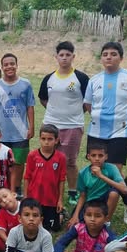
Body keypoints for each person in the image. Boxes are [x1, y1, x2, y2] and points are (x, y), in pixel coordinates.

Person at [84, 42, 127, 224]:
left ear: (121, 57)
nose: (109, 57)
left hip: (121, 132)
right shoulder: (94, 80)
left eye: (113, 54)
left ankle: (108, 215)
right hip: (97, 131)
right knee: (99, 168)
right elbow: (88, 104)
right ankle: (124, 202)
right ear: (101, 58)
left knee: (115, 170)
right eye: (105, 54)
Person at [39, 41, 89, 207]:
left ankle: (73, 191)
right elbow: (43, 99)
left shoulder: (81, 78)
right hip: (50, 125)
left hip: (73, 126)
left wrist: (74, 113)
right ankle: (50, 189)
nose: (64, 58)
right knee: (48, 158)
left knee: (69, 162)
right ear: (56, 57)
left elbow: (88, 101)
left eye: (68, 55)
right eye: (61, 55)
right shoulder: (49, 78)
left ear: (73, 57)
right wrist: (55, 112)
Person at [0, 53, 35, 195]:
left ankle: (17, 189)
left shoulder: (26, 84)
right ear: (2, 67)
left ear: (16, 65)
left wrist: (31, 126)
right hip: (1, 133)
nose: (9, 67)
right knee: (2, 163)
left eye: (12, 64)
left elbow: (30, 106)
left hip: (20, 132)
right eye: (6, 64)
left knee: (18, 163)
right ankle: (3, 188)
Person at [68, 142, 127, 227]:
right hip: (90, 202)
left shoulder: (111, 168)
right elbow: (82, 196)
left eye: (100, 156)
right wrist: (75, 215)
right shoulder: (83, 173)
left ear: (106, 156)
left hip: (104, 201)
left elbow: (124, 190)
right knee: (77, 226)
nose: (97, 159)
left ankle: (106, 221)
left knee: (114, 193)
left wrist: (101, 176)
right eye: (93, 155)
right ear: (88, 156)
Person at [23, 124, 67, 232]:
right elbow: (27, 177)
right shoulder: (32, 155)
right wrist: (25, 197)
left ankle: (61, 215)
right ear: (39, 139)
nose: (46, 142)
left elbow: (61, 180)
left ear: (56, 140)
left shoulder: (61, 157)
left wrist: (60, 200)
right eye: (43, 139)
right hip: (35, 198)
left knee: (52, 228)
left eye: (50, 139)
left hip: (51, 199)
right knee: (33, 225)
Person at [0, 188, 20, 252]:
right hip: (11, 240)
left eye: (5, 196)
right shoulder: (3, 212)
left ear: (14, 194)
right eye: (0, 201)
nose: (4, 201)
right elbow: (0, 230)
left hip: (28, 238)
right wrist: (9, 242)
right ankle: (13, 251)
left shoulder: (25, 206)